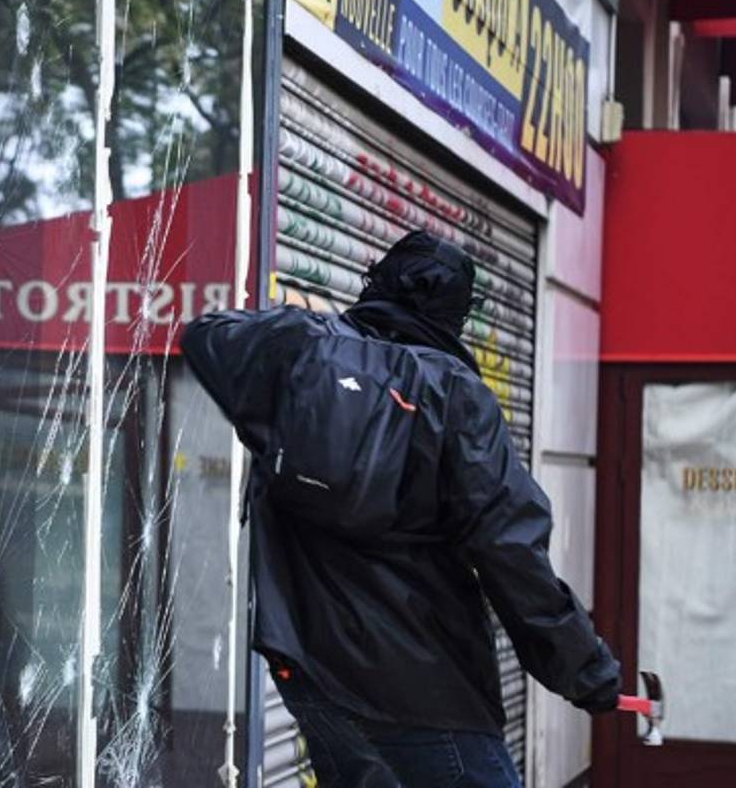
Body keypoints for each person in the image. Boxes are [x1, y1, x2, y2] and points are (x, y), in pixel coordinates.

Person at [180, 231, 620, 787]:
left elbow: (207, 335)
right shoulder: (455, 394)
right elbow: (510, 551)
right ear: (454, 317)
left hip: (312, 672)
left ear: (379, 283)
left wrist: (314, 327)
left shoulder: (303, 353)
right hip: (428, 687)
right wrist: (586, 673)